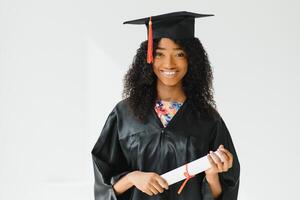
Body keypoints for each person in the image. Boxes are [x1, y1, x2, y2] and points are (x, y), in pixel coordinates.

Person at [91, 11, 240, 200]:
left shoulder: (207, 119)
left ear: (191, 59)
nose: (169, 64)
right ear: (148, 58)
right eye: (159, 54)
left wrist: (211, 175)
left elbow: (225, 194)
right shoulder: (124, 114)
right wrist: (132, 178)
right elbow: (102, 188)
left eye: (179, 54)